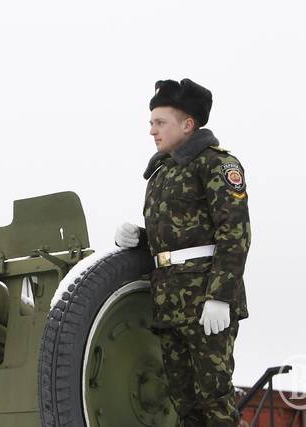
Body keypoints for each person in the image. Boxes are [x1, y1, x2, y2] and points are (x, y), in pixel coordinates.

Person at [115, 79, 250, 426]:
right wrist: (139, 239)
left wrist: (220, 297)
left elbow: (235, 234)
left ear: (188, 124)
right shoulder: (161, 174)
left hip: (206, 301)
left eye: (160, 122)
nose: (152, 130)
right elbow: (178, 238)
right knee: (183, 406)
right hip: (169, 303)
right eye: (151, 123)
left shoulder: (217, 164)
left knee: (215, 402)